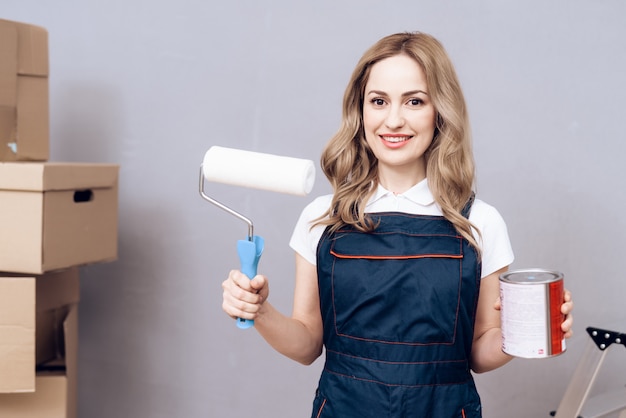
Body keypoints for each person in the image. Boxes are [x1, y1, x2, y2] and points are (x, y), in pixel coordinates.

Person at [221, 31, 574, 418]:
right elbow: (307, 344)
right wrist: (260, 310)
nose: (393, 120)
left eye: (414, 101)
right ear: (361, 111)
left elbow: (479, 352)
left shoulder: (479, 222)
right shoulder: (322, 218)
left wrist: (528, 330)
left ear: (439, 110)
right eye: (379, 101)